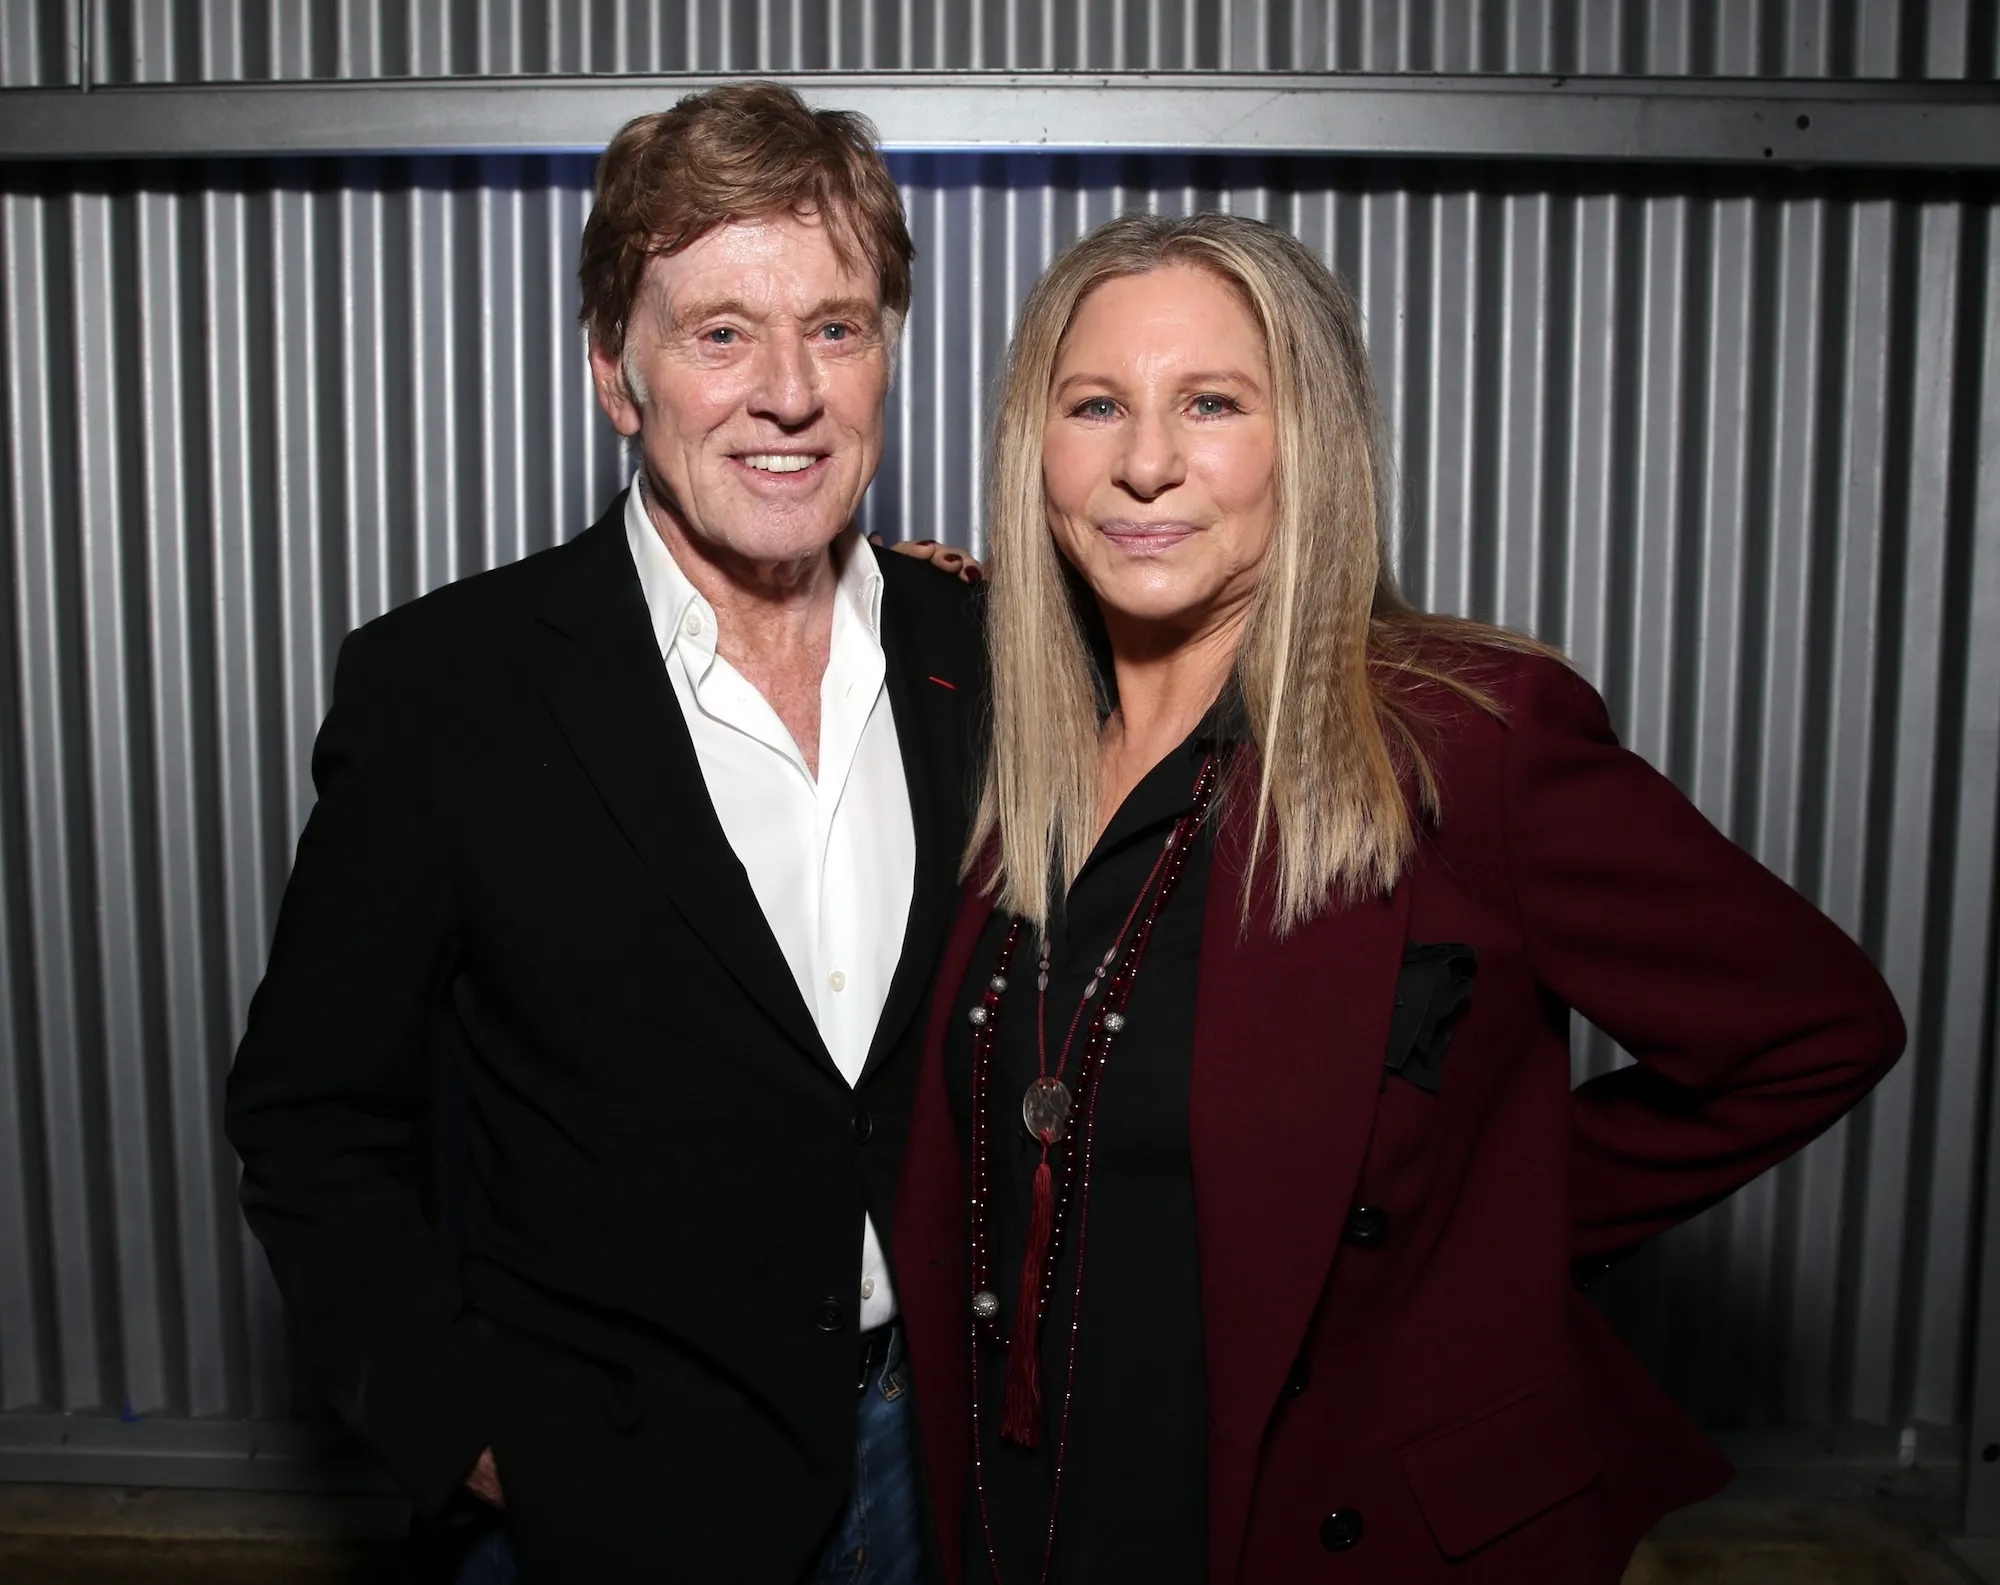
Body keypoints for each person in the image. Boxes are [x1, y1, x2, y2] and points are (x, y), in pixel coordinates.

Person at [890, 211, 1907, 1584]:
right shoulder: (1009, 749)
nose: (1144, 462)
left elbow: (1814, 1027)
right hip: (1034, 1511)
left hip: (1309, 1522)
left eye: (1212, 403)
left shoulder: (1465, 741)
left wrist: (1482, 1232)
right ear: (1037, 446)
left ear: (1309, 441)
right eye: (1096, 405)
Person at [225, 82, 982, 1584]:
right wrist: (461, 1430)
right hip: (614, 1497)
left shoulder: (992, 650)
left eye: (837, 326)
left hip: (943, 1467)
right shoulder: (448, 691)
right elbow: (313, 1119)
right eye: (719, 331)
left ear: (890, 350)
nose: (788, 391)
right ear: (613, 374)